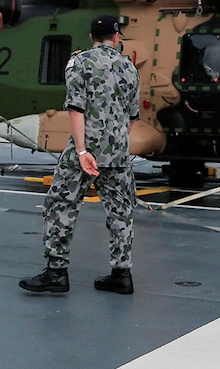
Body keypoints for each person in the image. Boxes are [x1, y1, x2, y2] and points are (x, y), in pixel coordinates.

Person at [19, 15, 141, 295]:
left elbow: (76, 108)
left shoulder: (80, 61)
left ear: (91, 37)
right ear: (116, 37)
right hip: (118, 152)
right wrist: (117, 143)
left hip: (85, 150)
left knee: (61, 204)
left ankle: (56, 272)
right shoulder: (130, 67)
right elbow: (132, 117)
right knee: (121, 210)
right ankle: (121, 274)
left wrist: (83, 149)